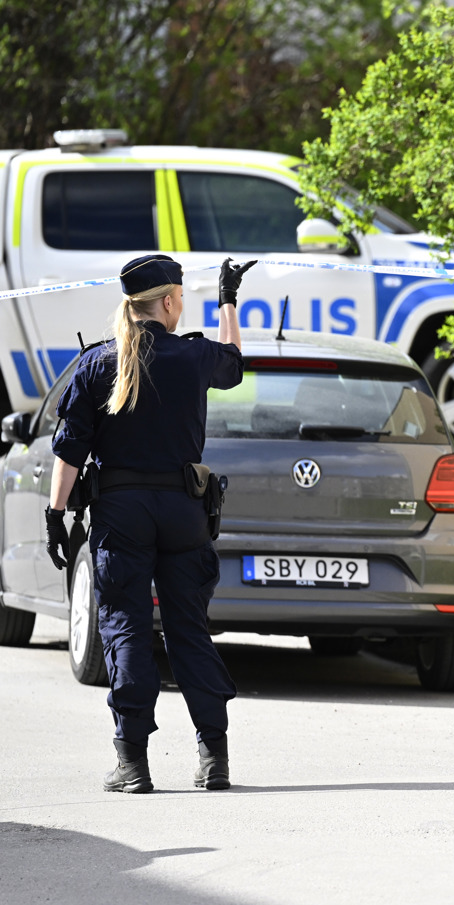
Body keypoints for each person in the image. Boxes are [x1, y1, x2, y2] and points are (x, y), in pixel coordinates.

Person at [45, 254, 255, 793]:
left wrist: (55, 513)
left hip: (121, 515)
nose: (182, 308)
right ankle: (214, 758)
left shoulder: (97, 365)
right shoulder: (193, 359)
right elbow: (234, 361)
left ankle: (132, 763)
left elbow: (69, 450)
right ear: (166, 302)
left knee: (128, 630)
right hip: (183, 512)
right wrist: (228, 297)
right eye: (181, 298)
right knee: (189, 631)